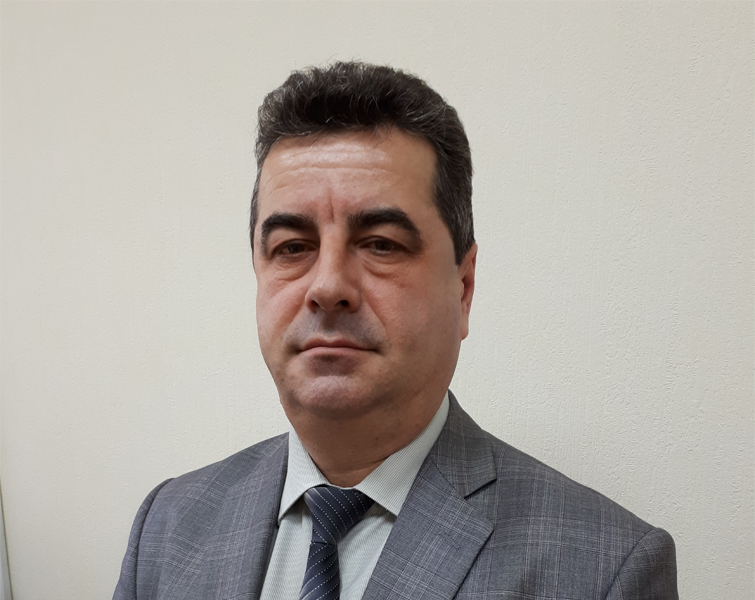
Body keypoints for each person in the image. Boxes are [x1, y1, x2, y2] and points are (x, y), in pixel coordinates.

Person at [113, 62, 678, 600]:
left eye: (381, 244)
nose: (327, 285)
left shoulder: (604, 570)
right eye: (292, 247)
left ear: (463, 287)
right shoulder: (168, 526)